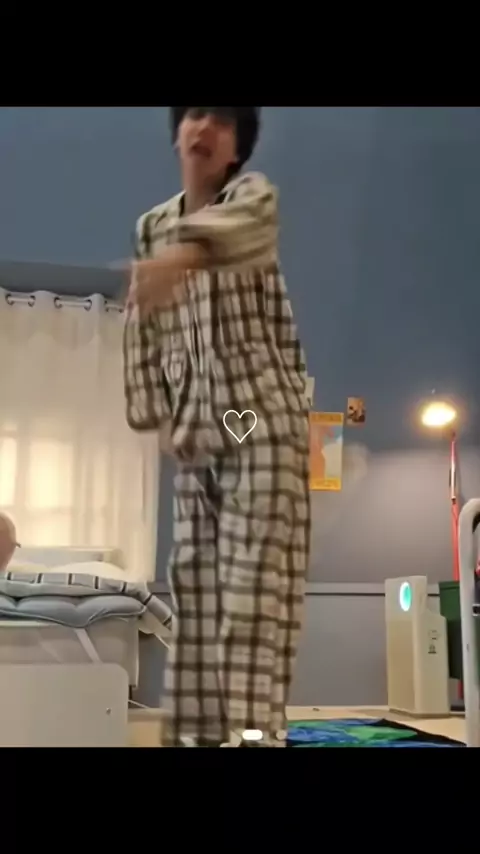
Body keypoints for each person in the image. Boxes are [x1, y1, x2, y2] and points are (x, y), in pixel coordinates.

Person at [123, 107, 311, 747]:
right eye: (194, 114)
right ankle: (198, 737)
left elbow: (246, 230)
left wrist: (184, 257)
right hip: (198, 434)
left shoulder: (251, 198)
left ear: (236, 149)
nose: (203, 127)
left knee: (251, 598)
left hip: (257, 420)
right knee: (197, 599)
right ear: (178, 131)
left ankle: (254, 738)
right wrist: (154, 415)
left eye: (222, 120)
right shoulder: (151, 227)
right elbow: (141, 330)